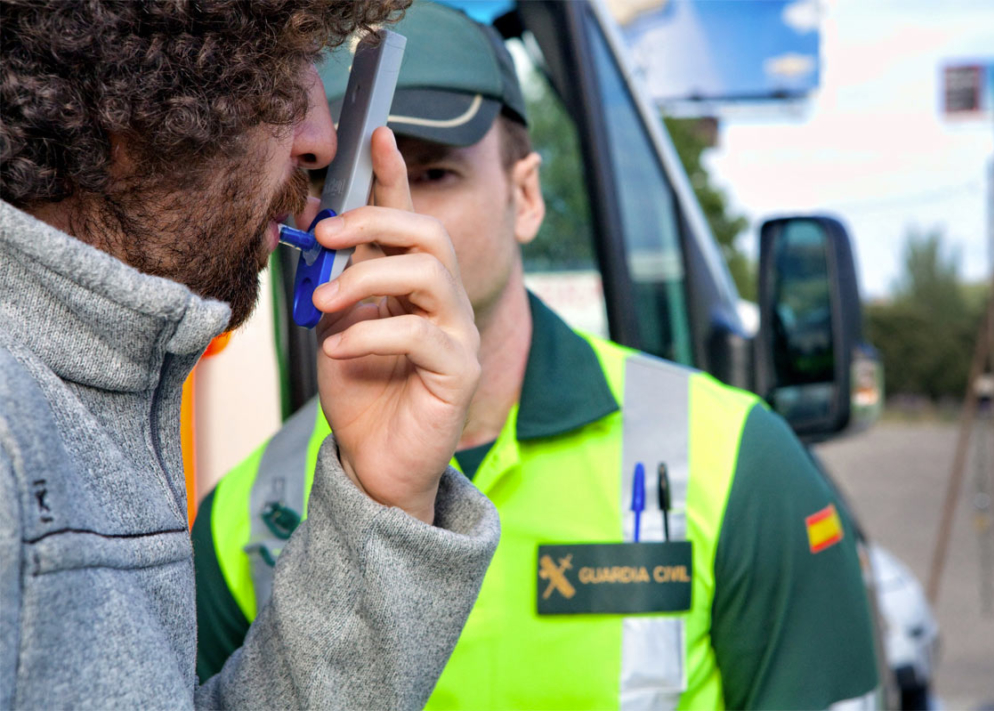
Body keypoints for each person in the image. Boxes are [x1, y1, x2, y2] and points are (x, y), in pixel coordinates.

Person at [195, 2, 882, 708]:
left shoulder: (741, 463)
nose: (383, 216)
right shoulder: (239, 516)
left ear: (525, 195)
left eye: (430, 175)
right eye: (341, 182)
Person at [0, 1, 499, 708]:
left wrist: (383, 502)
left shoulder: (96, 388)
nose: (323, 139)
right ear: (113, 79)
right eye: (272, 67)